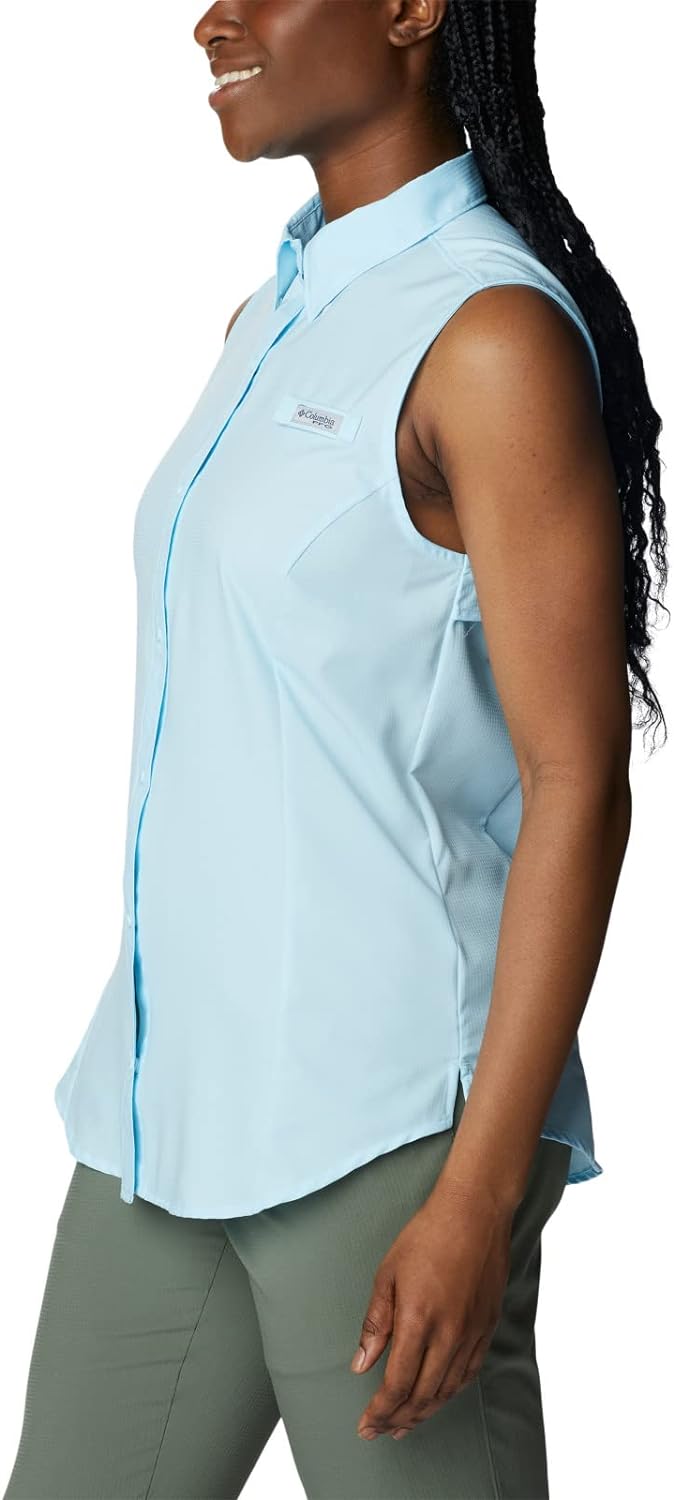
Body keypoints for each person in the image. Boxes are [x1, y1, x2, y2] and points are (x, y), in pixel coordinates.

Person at [4, 3, 667, 1498]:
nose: (210, 20)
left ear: (413, 9)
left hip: (386, 1133)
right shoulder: (274, 317)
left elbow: (577, 782)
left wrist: (478, 1195)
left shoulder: (487, 336)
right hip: (163, 1115)